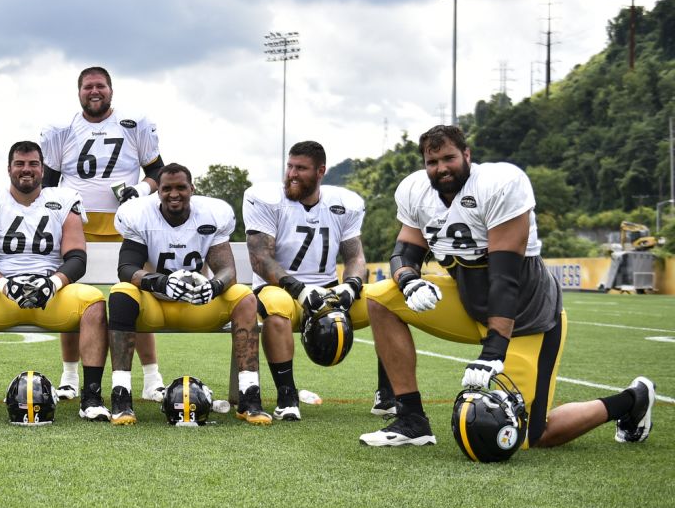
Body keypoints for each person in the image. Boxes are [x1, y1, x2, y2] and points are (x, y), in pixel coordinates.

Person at [360, 125, 655, 448]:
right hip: (469, 302)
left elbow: (505, 276)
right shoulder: (416, 191)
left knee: (530, 435)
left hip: (525, 316)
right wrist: (409, 280)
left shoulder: (500, 185)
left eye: (449, 158)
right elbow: (405, 250)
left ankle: (632, 400)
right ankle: (412, 420)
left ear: (467, 155)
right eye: (433, 162)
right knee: (381, 296)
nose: (441, 168)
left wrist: (494, 350)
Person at [0, 141, 109, 422]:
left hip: (50, 293)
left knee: (93, 302)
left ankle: (92, 396)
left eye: (33, 164)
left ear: (42, 169)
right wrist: (4, 285)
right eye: (20, 164)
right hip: (2, 293)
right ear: (9, 168)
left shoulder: (65, 198)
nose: (26, 169)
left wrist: (53, 283)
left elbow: (77, 257)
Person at [107, 163, 270, 425]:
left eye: (181, 187)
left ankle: (250, 397)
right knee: (121, 294)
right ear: (157, 192)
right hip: (156, 305)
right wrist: (160, 283)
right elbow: (126, 269)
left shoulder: (211, 214)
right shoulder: (139, 214)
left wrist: (213, 286)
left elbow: (227, 269)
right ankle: (121, 395)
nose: (174, 194)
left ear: (192, 189)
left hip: (197, 304)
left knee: (244, 296)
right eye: (167, 188)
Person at [41, 66, 167, 401]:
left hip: (126, 223)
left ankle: (152, 378)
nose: (94, 91)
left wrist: (139, 191)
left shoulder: (134, 122)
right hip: (77, 226)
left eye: (100, 86)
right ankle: (69, 376)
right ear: (78, 92)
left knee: (135, 298)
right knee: (71, 300)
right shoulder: (62, 129)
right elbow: (47, 183)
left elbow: (157, 171)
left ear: (111, 90)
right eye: (87, 87)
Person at [244, 140, 393, 420]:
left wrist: (351, 286)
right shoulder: (266, 199)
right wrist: (298, 290)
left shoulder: (343, 205)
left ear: (320, 171)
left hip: (327, 290)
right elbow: (260, 259)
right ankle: (287, 397)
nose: (292, 174)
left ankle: (387, 394)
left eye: (301, 168)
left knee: (386, 300)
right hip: (282, 289)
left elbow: (355, 258)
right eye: (290, 166)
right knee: (275, 308)